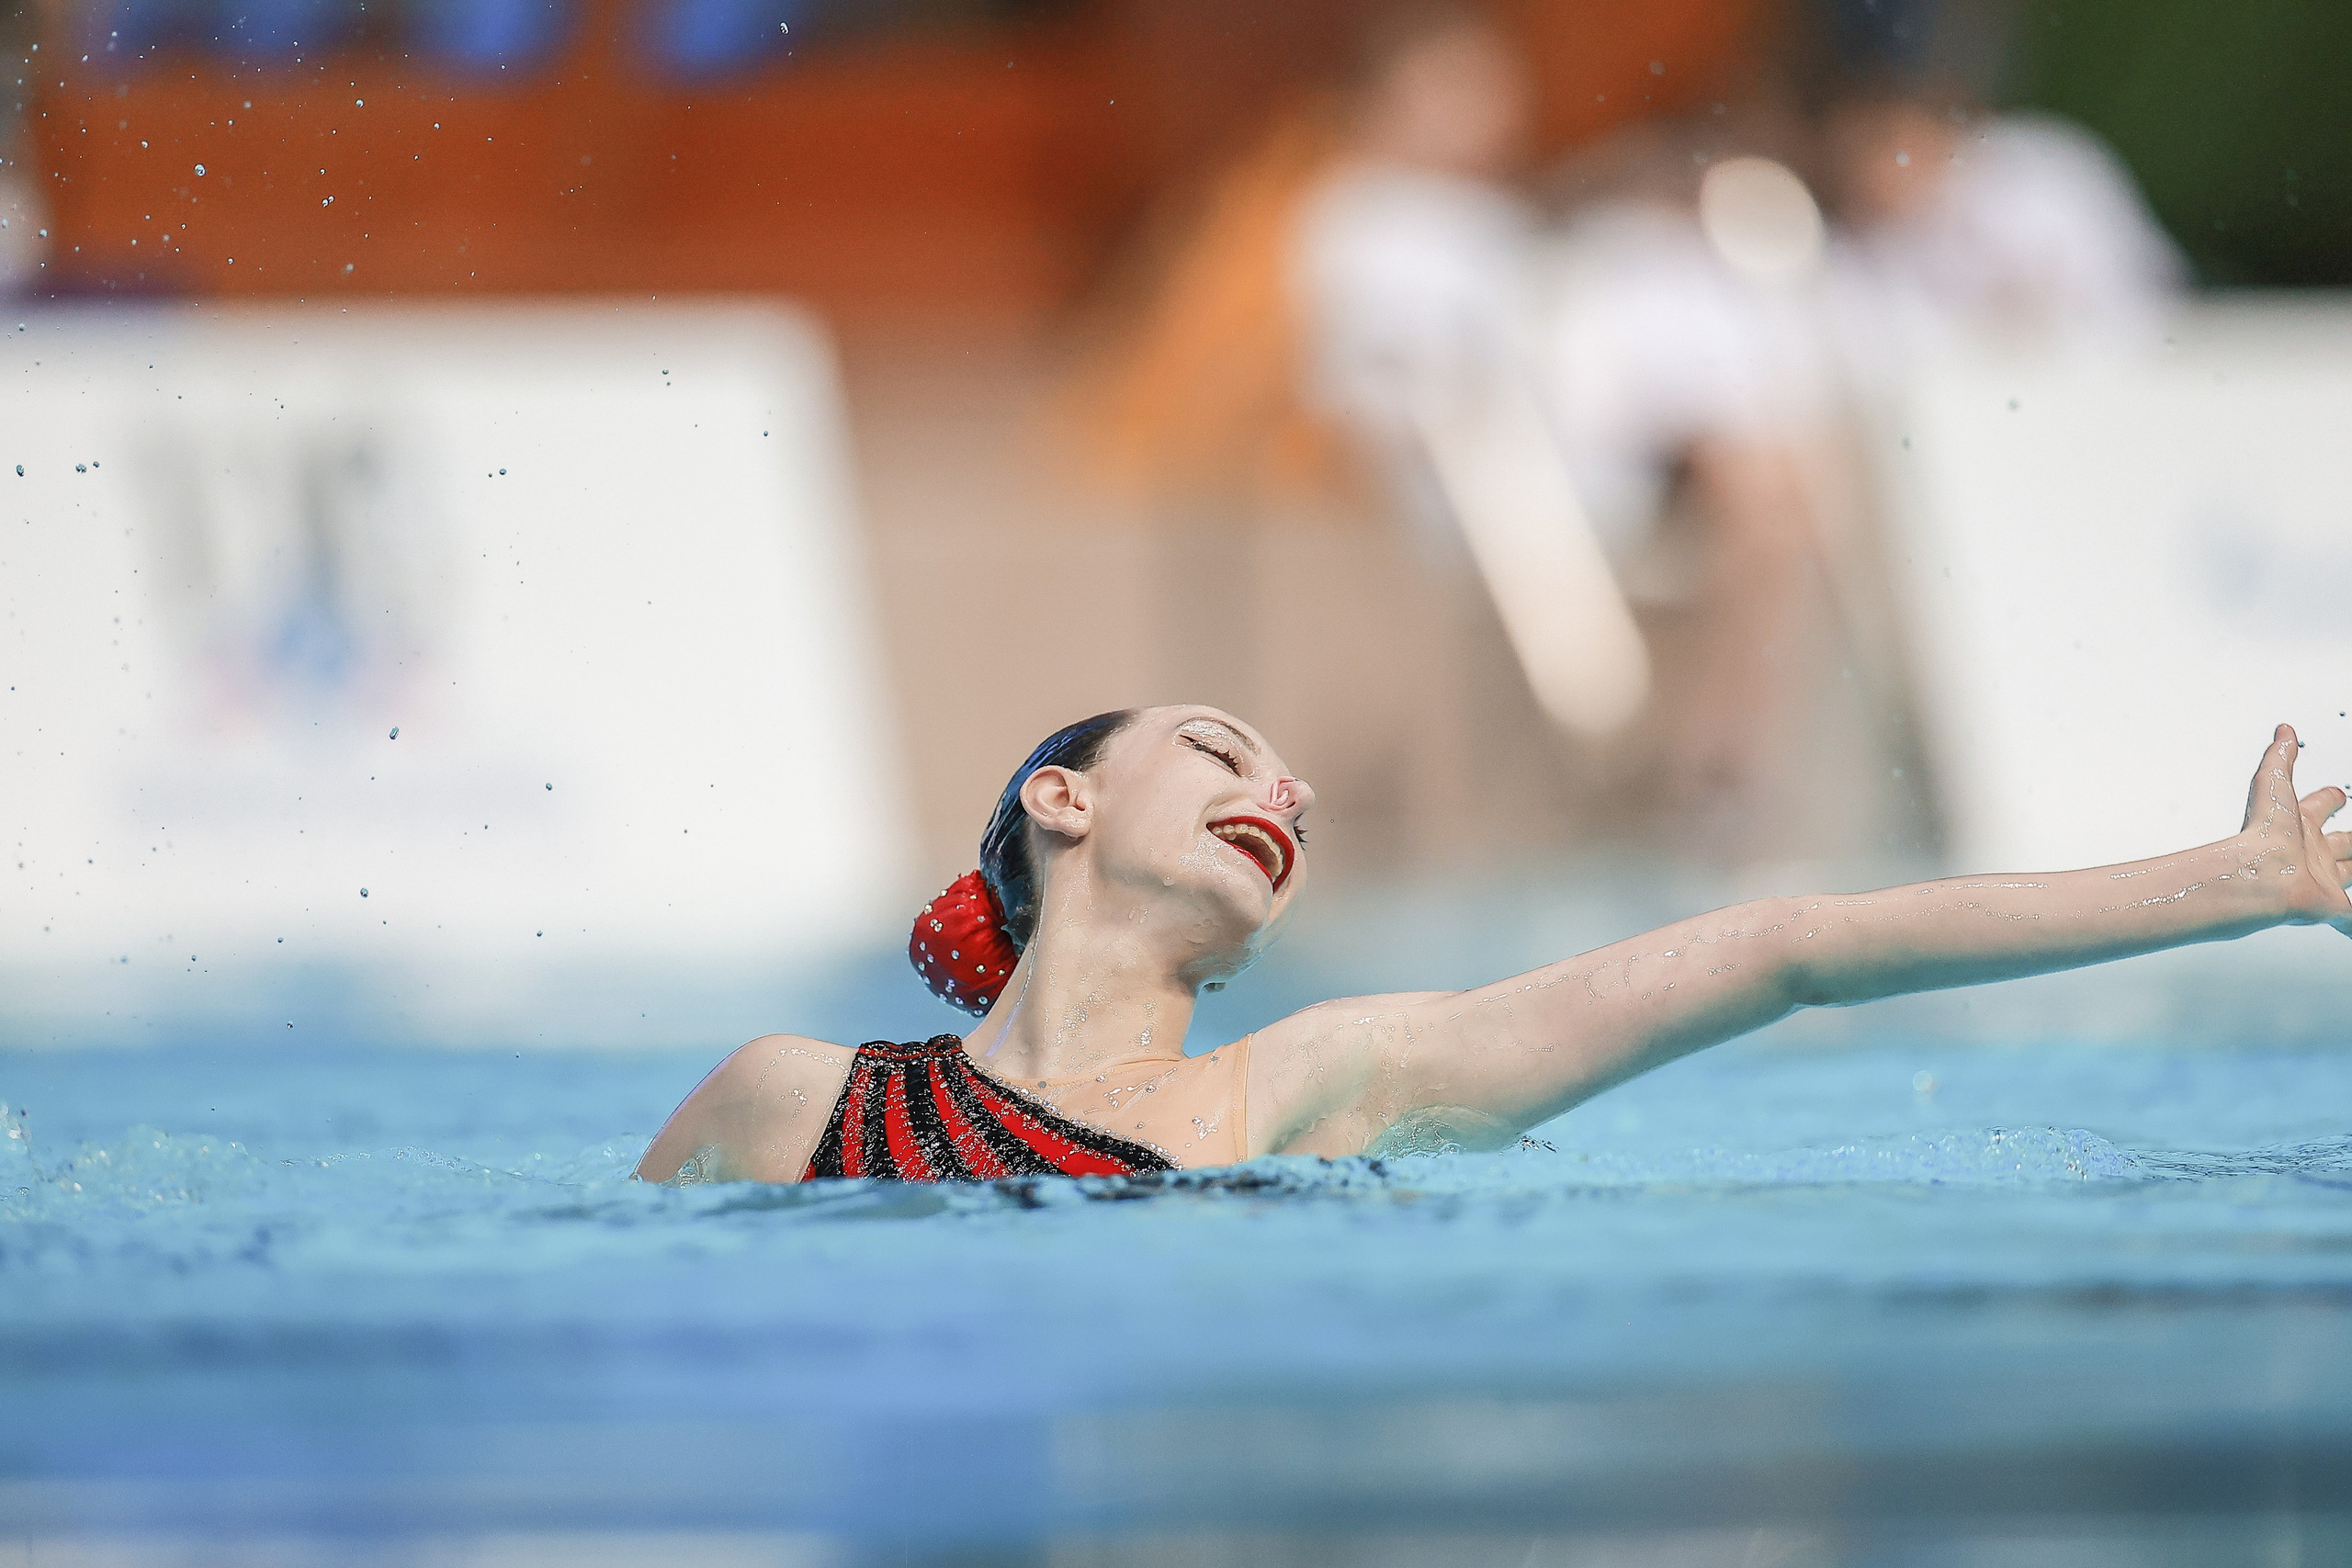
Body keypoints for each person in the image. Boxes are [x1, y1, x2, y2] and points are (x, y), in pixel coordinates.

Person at [636, 705, 2350, 1184]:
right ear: (1062, 804)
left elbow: (1787, 949)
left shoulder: (1311, 1082)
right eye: (1222, 750)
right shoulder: (786, 1099)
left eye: (1293, 785)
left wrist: (2234, 880)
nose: (1286, 787)